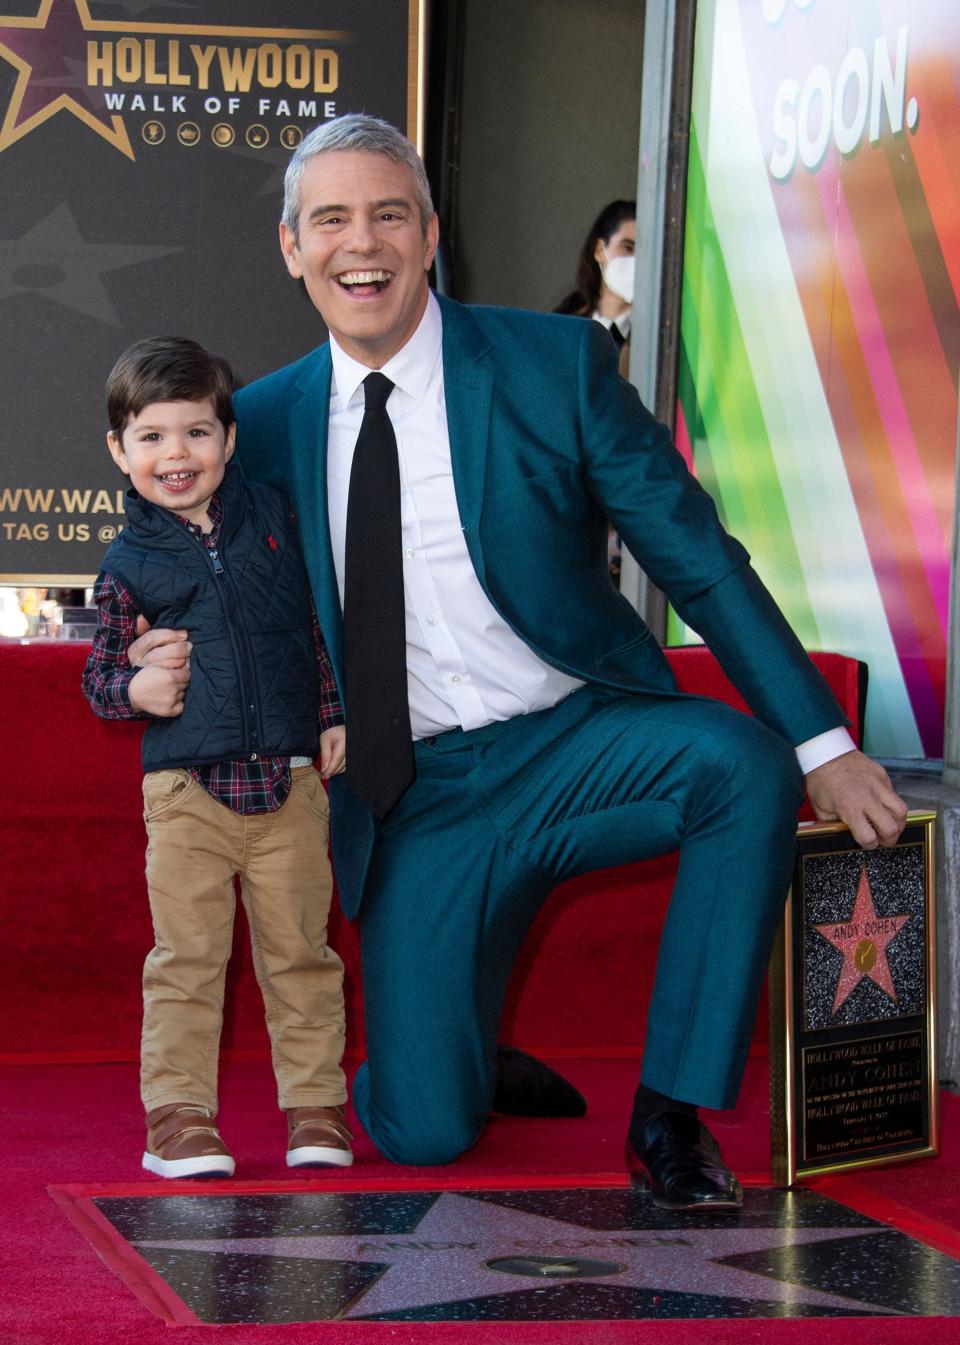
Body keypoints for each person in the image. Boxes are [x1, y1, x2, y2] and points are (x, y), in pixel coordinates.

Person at [130, 116, 907, 1211]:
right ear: (292, 247)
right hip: (420, 796)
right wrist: (143, 660)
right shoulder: (256, 426)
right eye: (333, 220)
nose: (366, 243)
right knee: (422, 1132)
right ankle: (458, 1047)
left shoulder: (555, 365)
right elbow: (186, 568)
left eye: (391, 214)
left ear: (432, 233)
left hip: (577, 741)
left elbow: (697, 556)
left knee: (744, 765)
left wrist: (822, 740)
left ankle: (670, 1114)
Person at [82, 337, 353, 1179]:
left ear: (229, 440)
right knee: (188, 958)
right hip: (186, 793)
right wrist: (137, 689)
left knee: (301, 951)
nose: (177, 454)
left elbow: (316, 627)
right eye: (153, 436)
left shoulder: (276, 515)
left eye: (197, 433)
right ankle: (179, 1117)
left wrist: (332, 714)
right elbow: (99, 677)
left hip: (291, 783)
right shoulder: (126, 563)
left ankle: (315, 1106)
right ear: (120, 451)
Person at [555, 198, 636, 371]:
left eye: (644, 252)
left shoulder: (658, 336)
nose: (635, 261)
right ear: (600, 250)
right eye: (628, 248)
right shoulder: (564, 326)